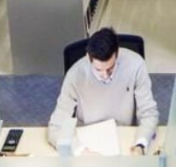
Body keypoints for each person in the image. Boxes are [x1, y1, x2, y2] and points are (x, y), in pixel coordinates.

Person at [47, 27, 157, 155]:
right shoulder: (75, 75)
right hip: (87, 142)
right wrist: (81, 151)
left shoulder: (136, 65)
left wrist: (140, 144)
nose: (105, 76)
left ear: (117, 54)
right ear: (89, 57)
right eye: (98, 70)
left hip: (124, 139)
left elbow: (149, 114)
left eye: (110, 69)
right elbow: (55, 128)